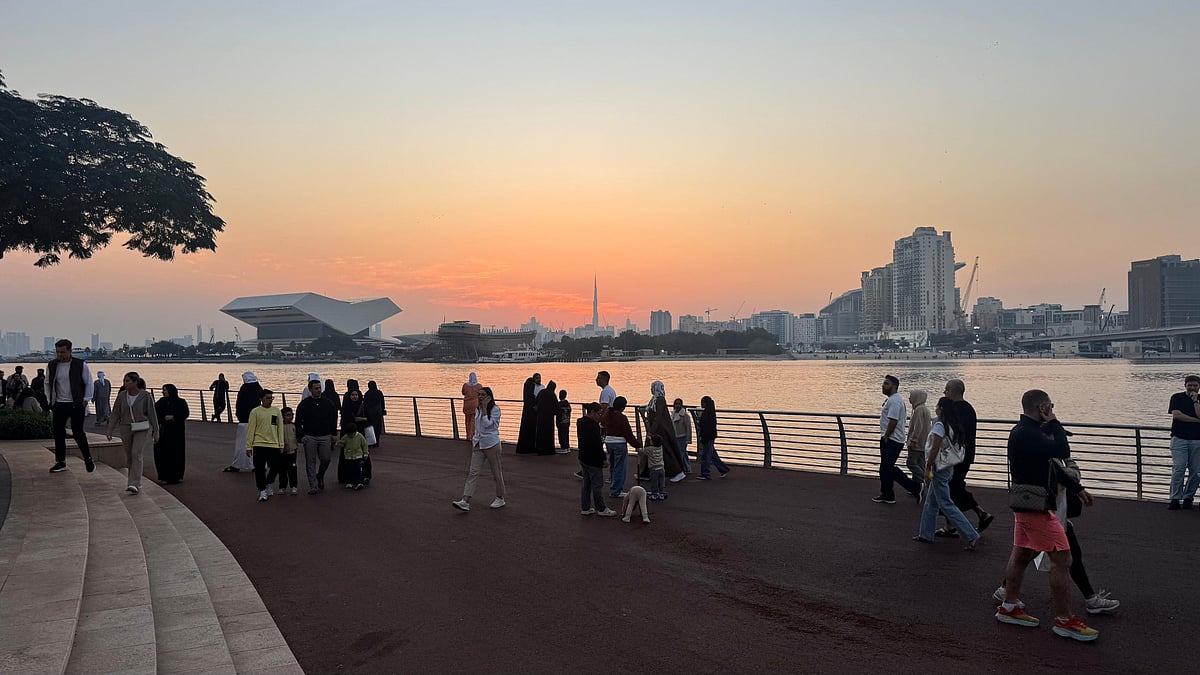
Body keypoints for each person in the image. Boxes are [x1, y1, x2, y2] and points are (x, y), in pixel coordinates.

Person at [996, 389, 1099, 642]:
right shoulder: (1029, 433)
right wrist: (1053, 420)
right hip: (1037, 506)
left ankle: (1009, 606)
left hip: (1025, 501)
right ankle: (1065, 620)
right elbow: (1062, 451)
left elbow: (1051, 466)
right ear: (1042, 407)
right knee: (1063, 559)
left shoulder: (1022, 432)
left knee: (1021, 553)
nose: (1052, 409)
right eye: (1049, 406)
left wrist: (1077, 488)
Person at [992, 455, 1120, 615]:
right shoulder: (1049, 458)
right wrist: (1070, 459)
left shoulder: (1041, 453)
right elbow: (1070, 476)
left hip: (1048, 513)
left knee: (1030, 552)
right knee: (1061, 558)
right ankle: (1070, 613)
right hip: (1048, 514)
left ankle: (1006, 593)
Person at [913, 397, 980, 549]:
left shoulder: (939, 425)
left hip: (938, 467)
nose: (935, 408)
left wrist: (928, 467)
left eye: (937, 406)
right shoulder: (953, 425)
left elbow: (935, 448)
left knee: (946, 503)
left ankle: (971, 535)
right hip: (947, 467)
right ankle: (925, 534)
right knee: (931, 502)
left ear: (941, 409)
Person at [943, 379, 994, 532]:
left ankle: (956, 523)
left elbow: (950, 433)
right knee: (954, 486)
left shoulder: (953, 409)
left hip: (955, 455)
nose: (944, 393)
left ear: (953, 390)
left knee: (950, 487)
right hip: (967, 454)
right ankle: (974, 515)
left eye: (946, 389)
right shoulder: (969, 409)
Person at [46, 339, 96, 474]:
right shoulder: (52, 365)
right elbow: (47, 383)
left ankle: (88, 458)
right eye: (57, 352)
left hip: (76, 403)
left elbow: (89, 382)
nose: (60, 355)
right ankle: (60, 461)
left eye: (63, 352)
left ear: (70, 351)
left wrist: (86, 399)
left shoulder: (80, 365)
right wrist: (50, 399)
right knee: (58, 432)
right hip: (59, 404)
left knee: (78, 432)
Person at [452, 387, 506, 512]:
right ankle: (465, 500)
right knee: (473, 472)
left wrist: (485, 409)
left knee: (496, 473)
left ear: (489, 397)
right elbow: (477, 427)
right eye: (479, 394)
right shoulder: (478, 410)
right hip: (478, 444)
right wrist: (474, 439)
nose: (480, 397)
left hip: (492, 444)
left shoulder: (495, 410)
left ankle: (500, 497)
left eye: (483, 395)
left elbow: (488, 425)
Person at [106, 372, 159, 494]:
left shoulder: (145, 396)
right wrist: (110, 429)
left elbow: (152, 414)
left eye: (128, 381)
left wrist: (156, 430)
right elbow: (115, 413)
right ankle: (133, 480)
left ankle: (134, 483)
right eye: (124, 381)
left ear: (136, 382)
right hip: (125, 427)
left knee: (136, 453)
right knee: (129, 455)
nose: (125, 383)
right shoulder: (122, 396)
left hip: (141, 427)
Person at [874, 375, 919, 504]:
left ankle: (915, 488)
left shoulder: (894, 401)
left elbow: (893, 420)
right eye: (883, 383)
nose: (883, 386)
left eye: (886, 384)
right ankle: (887, 495)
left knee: (887, 468)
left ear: (894, 386)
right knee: (886, 469)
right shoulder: (893, 400)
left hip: (892, 440)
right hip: (892, 439)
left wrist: (886, 436)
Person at [296, 379, 339, 494]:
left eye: (319, 388)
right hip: (309, 436)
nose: (318, 390)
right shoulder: (304, 404)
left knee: (326, 459)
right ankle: (313, 485)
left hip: (325, 435)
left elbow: (333, 419)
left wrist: (334, 434)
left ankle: (320, 475)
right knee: (310, 461)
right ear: (310, 390)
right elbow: (298, 421)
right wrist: (300, 436)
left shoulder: (328, 403)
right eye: (316, 388)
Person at [1167, 374, 1200, 509]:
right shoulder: (1177, 398)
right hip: (1179, 438)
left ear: (1199, 387)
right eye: (1190, 385)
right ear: (1185, 385)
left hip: (1197, 440)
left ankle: (1188, 497)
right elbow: (1177, 415)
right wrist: (1196, 421)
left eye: (1195, 385)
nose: (1192, 388)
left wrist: (1195, 401)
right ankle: (1175, 498)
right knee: (1179, 468)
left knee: (1196, 471)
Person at [246, 389, 284, 502]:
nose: (270, 400)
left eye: (271, 398)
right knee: (259, 468)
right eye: (267, 398)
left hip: (274, 444)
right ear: (261, 399)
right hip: (259, 444)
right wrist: (249, 446)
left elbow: (280, 429)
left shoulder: (276, 411)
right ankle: (262, 490)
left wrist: (281, 444)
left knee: (276, 466)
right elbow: (251, 429)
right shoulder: (255, 412)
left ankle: (269, 483)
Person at [644, 381, 686, 482]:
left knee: (666, 450)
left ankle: (678, 472)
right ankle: (646, 472)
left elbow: (658, 416)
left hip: (661, 430)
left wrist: (652, 430)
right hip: (656, 429)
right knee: (652, 450)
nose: (651, 389)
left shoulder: (660, 400)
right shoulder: (654, 400)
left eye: (652, 387)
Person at [578, 403, 615, 516]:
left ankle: (585, 507)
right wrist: (603, 459)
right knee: (597, 485)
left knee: (586, 484)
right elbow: (597, 445)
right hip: (593, 459)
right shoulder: (593, 426)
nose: (600, 417)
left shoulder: (580, 423)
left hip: (583, 457)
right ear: (592, 412)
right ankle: (601, 508)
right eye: (599, 414)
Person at [603, 397, 642, 499]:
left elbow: (602, 423)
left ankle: (613, 485)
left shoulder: (607, 414)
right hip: (619, 443)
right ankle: (616, 491)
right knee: (620, 467)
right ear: (622, 407)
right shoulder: (622, 418)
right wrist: (637, 445)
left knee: (613, 465)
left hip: (608, 442)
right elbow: (628, 434)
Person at [223, 372, 262, 472]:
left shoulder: (244, 389)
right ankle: (256, 464)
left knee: (242, 444)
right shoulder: (258, 388)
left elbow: (239, 404)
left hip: (244, 421)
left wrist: (239, 415)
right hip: (257, 420)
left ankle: (239, 464)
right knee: (257, 443)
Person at [153, 384, 189, 484]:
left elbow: (185, 414)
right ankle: (164, 476)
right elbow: (154, 414)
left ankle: (177, 476)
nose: (163, 392)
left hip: (176, 432)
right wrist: (164, 418)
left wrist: (173, 417)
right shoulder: (160, 402)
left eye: (164, 390)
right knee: (162, 454)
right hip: (163, 431)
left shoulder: (181, 402)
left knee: (177, 453)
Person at [339, 388, 369, 485]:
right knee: (347, 456)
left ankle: (364, 475)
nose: (355, 397)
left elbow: (368, 418)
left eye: (356, 395)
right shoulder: (346, 407)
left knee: (362, 453)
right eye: (352, 395)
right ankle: (347, 477)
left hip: (360, 433)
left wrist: (357, 419)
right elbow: (346, 420)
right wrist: (360, 419)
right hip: (348, 434)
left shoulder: (363, 405)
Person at [696, 396, 730, 480]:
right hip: (710, 436)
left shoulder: (707, 414)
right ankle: (723, 469)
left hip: (707, 437)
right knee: (712, 455)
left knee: (706, 455)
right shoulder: (711, 413)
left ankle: (705, 473)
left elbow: (705, 426)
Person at [906, 390, 931, 487]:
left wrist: (913, 440)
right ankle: (917, 486)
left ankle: (926, 479)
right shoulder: (925, 409)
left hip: (917, 444)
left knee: (911, 463)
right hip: (924, 443)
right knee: (921, 464)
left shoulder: (918, 410)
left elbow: (918, 427)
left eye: (911, 397)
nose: (909, 399)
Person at [336, 421, 369, 490]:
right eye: (349, 434)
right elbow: (342, 443)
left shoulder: (360, 436)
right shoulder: (345, 437)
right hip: (348, 457)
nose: (350, 436)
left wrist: (365, 453)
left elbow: (364, 445)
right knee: (349, 470)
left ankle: (359, 482)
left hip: (358, 456)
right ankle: (350, 482)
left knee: (358, 470)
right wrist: (339, 444)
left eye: (351, 434)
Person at [278, 406, 299, 494]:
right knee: (282, 469)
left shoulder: (294, 426)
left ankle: (293, 486)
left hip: (292, 451)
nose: (290, 417)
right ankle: (282, 486)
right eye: (287, 415)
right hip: (282, 451)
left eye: (291, 415)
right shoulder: (279, 426)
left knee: (292, 469)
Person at [534, 380, 559, 455]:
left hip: (541, 416)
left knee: (540, 433)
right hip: (549, 418)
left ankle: (540, 450)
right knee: (548, 434)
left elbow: (536, 402)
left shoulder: (542, 392)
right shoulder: (552, 394)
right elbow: (556, 406)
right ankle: (548, 450)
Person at [639, 434, 667, 501]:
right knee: (661, 482)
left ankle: (654, 494)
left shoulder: (649, 449)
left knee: (654, 482)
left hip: (654, 469)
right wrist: (651, 437)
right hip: (661, 468)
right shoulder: (660, 447)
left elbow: (642, 451)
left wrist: (638, 447)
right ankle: (661, 493)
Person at [515, 374, 538, 454]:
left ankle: (524, 447)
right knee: (531, 431)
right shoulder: (532, 396)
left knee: (525, 431)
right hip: (531, 415)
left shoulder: (526, 396)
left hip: (526, 414)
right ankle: (530, 447)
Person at [671, 398, 693, 474]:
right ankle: (687, 467)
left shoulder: (685, 415)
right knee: (683, 452)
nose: (677, 406)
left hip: (682, 437)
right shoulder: (673, 414)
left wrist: (688, 439)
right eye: (676, 404)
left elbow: (688, 428)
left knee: (681, 453)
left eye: (679, 404)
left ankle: (680, 468)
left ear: (681, 405)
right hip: (675, 437)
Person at [363, 380, 386, 448]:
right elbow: (382, 402)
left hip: (369, 414)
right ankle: (377, 442)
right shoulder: (379, 393)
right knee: (377, 428)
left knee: (370, 428)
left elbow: (365, 404)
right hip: (378, 413)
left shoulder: (367, 394)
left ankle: (371, 441)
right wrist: (382, 409)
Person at [462, 372, 482, 443]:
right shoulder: (479, 386)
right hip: (475, 405)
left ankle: (467, 436)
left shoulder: (465, 385)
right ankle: (473, 436)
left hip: (467, 404)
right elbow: (481, 395)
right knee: (474, 421)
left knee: (467, 421)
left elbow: (463, 393)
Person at [556, 389, 572, 453]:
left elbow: (557, 412)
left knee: (561, 434)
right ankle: (567, 447)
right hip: (567, 421)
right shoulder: (568, 404)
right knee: (566, 434)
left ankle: (563, 447)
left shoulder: (559, 404)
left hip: (561, 422)